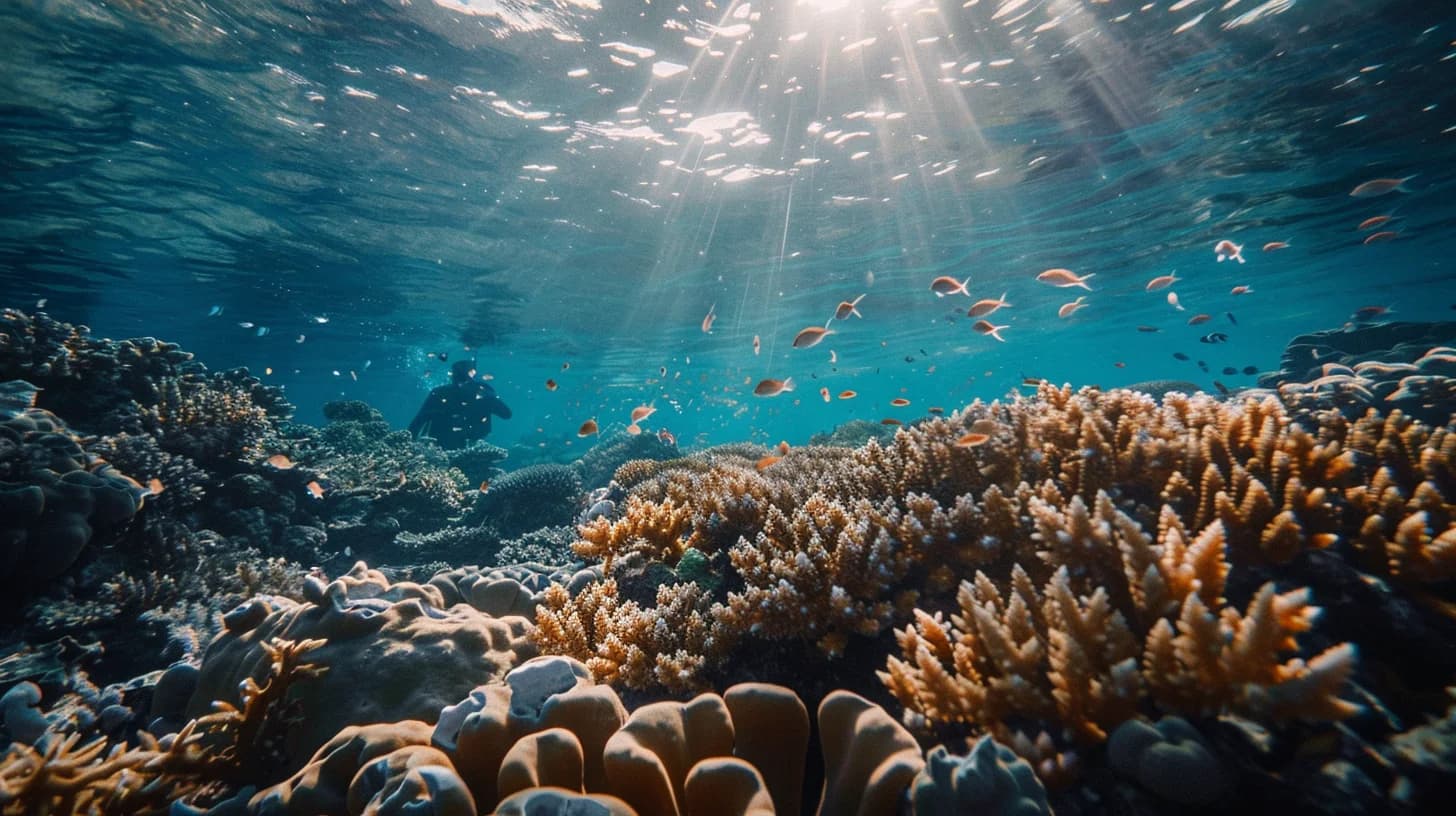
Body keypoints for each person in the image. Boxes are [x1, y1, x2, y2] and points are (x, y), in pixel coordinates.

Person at [408, 360, 511, 449]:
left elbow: (418, 421)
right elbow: (506, 414)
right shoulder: (482, 393)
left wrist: (407, 444)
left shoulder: (440, 392)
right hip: (465, 447)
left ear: (453, 376)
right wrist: (489, 394)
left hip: (441, 447)